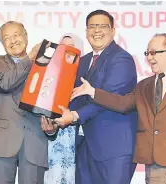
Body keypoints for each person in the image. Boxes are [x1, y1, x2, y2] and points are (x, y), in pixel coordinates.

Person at [72, 33, 166, 184]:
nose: (149, 57)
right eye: (147, 53)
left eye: (154, 52)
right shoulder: (144, 85)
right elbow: (122, 104)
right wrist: (93, 92)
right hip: (152, 165)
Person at [54, 10, 138, 184]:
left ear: (113, 31)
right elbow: (73, 97)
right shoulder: (83, 61)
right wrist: (53, 115)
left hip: (113, 149)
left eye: (102, 26)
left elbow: (109, 98)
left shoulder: (121, 58)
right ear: (86, 32)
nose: (97, 30)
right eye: (92, 26)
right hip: (85, 146)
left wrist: (75, 116)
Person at [0, 21, 57, 184]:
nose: (13, 40)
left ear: (26, 36)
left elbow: (52, 101)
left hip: (35, 141)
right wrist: (30, 58)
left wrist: (52, 129)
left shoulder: (48, 65)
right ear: (2, 43)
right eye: (7, 38)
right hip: (2, 142)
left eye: (16, 35)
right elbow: (5, 83)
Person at [44, 33, 84, 184]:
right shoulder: (49, 75)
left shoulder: (85, 77)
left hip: (77, 142)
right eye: (62, 47)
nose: (66, 50)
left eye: (71, 47)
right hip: (51, 142)